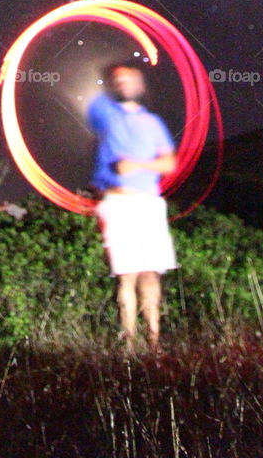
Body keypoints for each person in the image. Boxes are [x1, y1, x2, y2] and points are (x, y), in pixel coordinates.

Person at [86, 61, 178, 352]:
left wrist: (136, 164)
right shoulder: (105, 116)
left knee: (150, 273)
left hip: (148, 204)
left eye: (130, 80)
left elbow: (169, 162)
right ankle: (128, 344)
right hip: (118, 204)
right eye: (118, 80)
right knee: (126, 276)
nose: (123, 84)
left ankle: (154, 342)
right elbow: (93, 102)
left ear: (141, 86)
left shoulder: (152, 123)